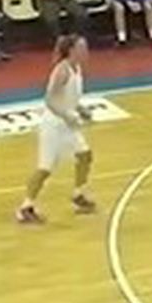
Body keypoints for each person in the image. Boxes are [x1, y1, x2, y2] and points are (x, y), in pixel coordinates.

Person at [16, 35, 95, 224]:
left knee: (85, 155)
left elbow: (69, 97)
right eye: (82, 48)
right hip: (54, 126)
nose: (86, 51)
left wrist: (81, 109)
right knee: (45, 168)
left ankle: (78, 194)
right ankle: (25, 207)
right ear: (72, 50)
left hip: (67, 125)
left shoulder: (77, 68)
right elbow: (50, 100)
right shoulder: (62, 70)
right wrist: (66, 115)